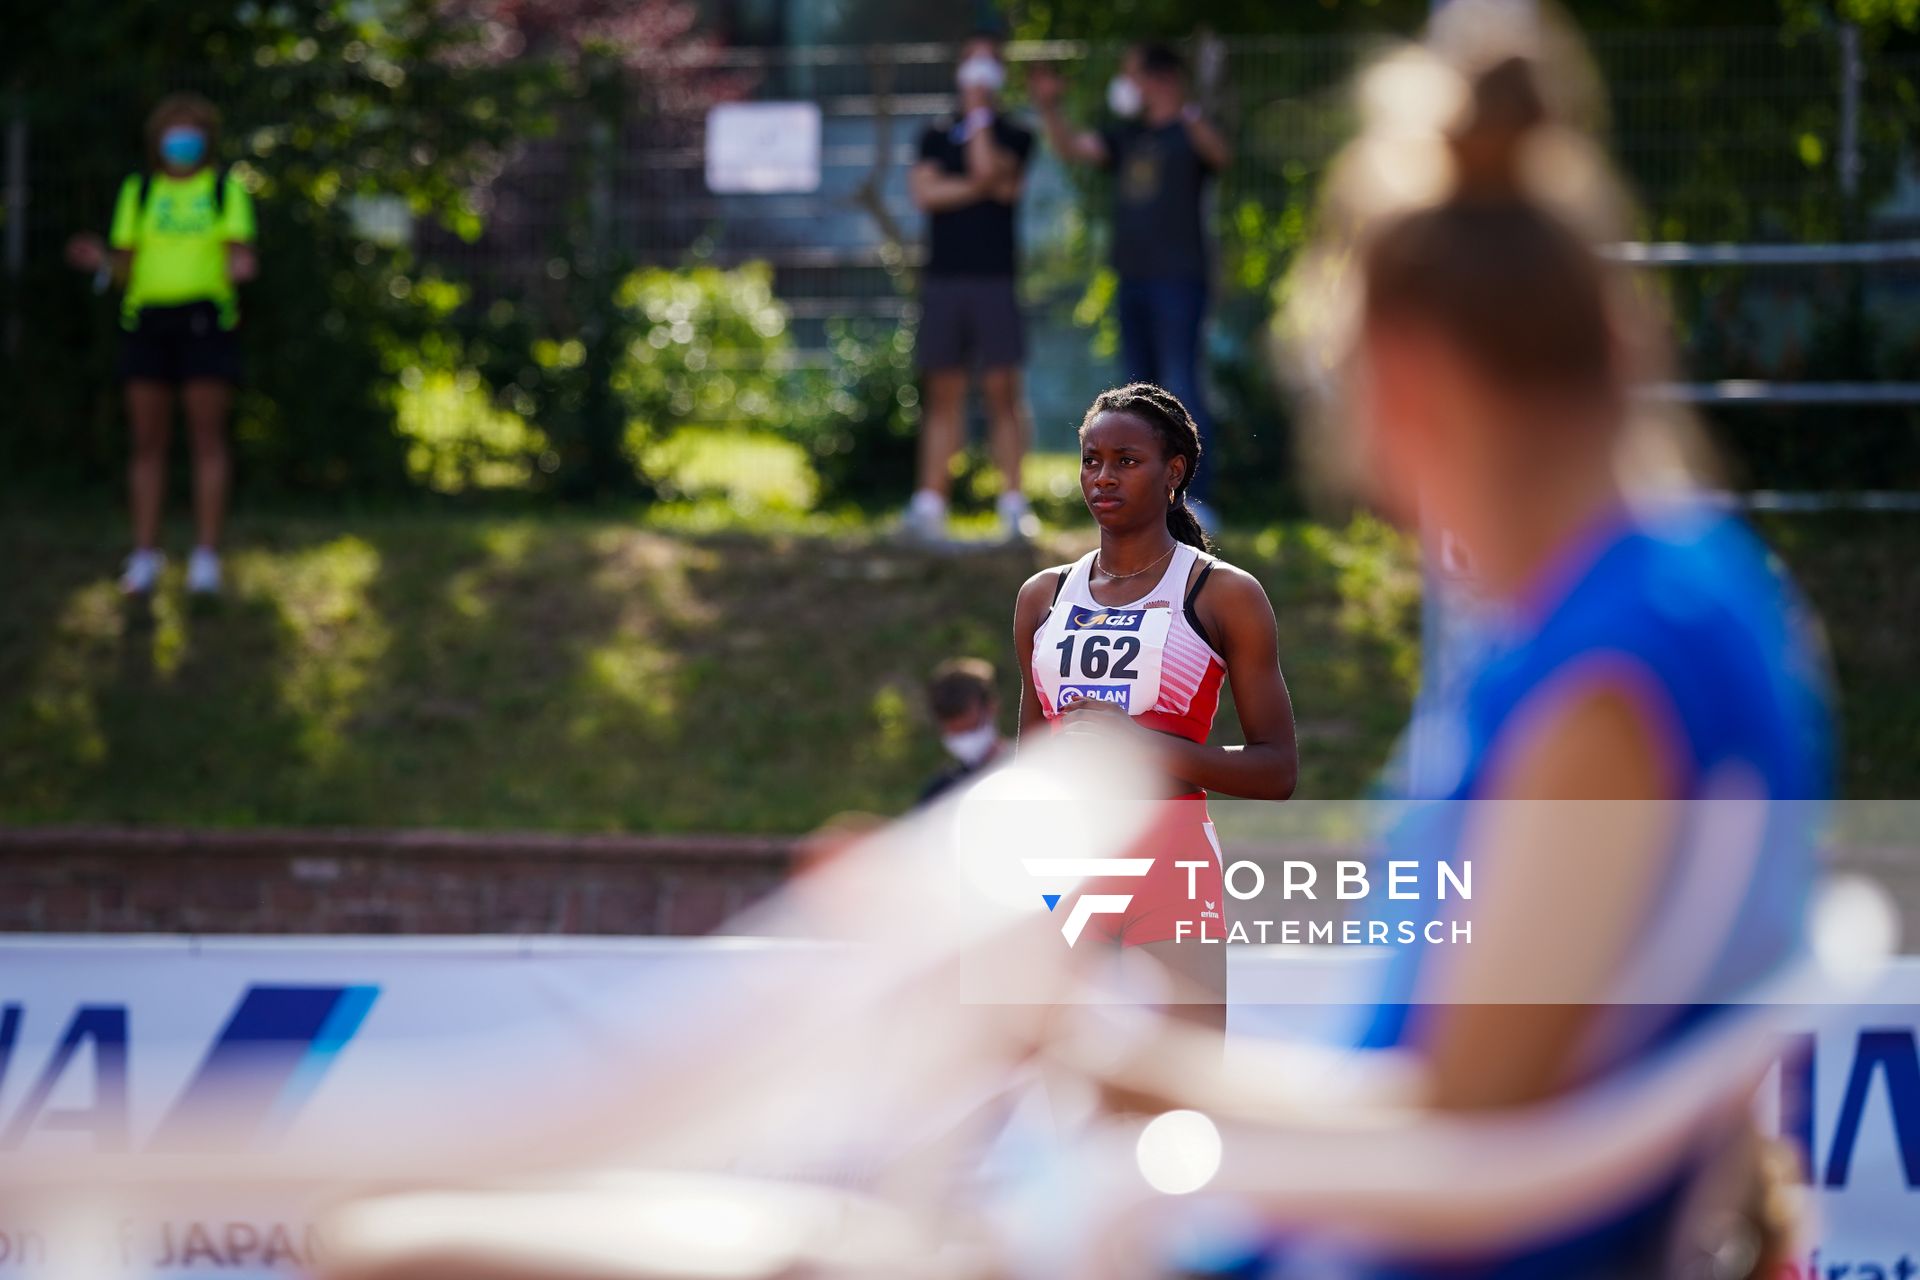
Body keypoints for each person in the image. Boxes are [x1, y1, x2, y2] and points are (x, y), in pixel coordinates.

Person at [1241, 14, 1833, 1272]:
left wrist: (1126, 1086)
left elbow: (1465, 1125)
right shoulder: (1685, 601)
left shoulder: (1609, 675)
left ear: (1407, 385)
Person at [1013, 382, 1297, 1029]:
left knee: (1184, 1096)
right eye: (1091, 460)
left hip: (1170, 858)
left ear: (1174, 472)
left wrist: (1139, 745)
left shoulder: (1223, 594)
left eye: (1125, 461)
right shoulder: (1042, 596)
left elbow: (1276, 771)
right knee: (1050, 1090)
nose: (1102, 478)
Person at [66, 93, 258, 597]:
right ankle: (146, 555)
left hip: (205, 323)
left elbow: (240, 255)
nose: (182, 142)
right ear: (157, 140)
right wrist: (102, 262)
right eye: (173, 132)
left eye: (191, 132)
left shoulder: (223, 190)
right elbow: (125, 266)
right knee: (148, 443)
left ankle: (205, 557)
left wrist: (241, 267)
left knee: (206, 440)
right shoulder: (140, 192)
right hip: (147, 324)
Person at [1031, 44, 1229, 524]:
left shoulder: (1190, 132)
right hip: (1132, 280)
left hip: (1180, 281)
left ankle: (1197, 498)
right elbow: (1072, 147)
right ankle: (1149, 497)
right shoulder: (1127, 137)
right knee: (1138, 394)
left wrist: (1185, 106)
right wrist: (1049, 105)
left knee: (1181, 384)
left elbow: (1220, 155)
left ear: (1159, 79)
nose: (1127, 86)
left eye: (1134, 74)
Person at [904, 32, 1039, 547]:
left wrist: (980, 121)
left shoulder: (1016, 135)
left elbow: (988, 169)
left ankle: (1013, 507)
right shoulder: (934, 135)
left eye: (990, 64)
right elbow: (925, 192)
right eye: (972, 63)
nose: (980, 74)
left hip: (995, 280)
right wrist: (982, 189)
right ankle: (930, 504)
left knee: (1003, 392)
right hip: (943, 280)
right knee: (943, 393)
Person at [917, 658, 1010, 807]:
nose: (964, 740)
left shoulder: (1024, 767)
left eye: (971, 729)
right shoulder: (939, 792)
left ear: (992, 706)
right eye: (955, 732)